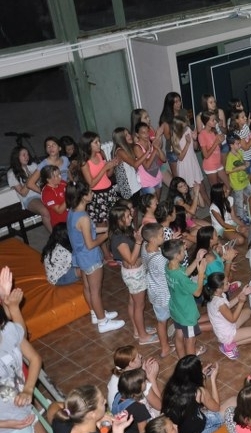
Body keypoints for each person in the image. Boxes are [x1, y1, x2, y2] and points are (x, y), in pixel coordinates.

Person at [0, 287, 53, 433]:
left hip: (23, 410)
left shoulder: (7, 330)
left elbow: (34, 358)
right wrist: (6, 424)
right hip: (7, 426)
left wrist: (28, 389)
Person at [66, 180, 125, 333]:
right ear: (83, 196)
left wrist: (106, 228)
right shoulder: (84, 218)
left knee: (87, 287)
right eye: (90, 192)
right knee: (95, 291)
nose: (92, 194)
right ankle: (102, 322)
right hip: (90, 258)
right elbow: (91, 244)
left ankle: (95, 313)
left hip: (80, 256)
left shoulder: (73, 212)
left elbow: (88, 231)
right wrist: (107, 235)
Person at [109, 204, 156, 344]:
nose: (131, 217)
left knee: (133, 302)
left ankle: (138, 331)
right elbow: (131, 259)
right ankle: (143, 336)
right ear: (119, 220)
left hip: (134, 272)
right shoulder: (119, 239)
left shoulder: (125, 231)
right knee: (139, 306)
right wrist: (138, 242)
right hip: (134, 274)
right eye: (127, 216)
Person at [203, 272, 251, 359]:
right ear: (218, 289)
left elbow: (228, 306)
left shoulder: (218, 294)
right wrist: (241, 303)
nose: (229, 284)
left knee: (247, 311)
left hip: (226, 326)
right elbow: (233, 319)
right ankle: (228, 345)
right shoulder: (219, 303)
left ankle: (230, 342)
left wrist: (242, 293)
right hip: (227, 334)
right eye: (226, 283)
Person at [164, 239, 209, 357]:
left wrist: (197, 260)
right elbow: (197, 293)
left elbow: (185, 273)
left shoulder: (169, 266)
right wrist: (201, 273)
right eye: (183, 251)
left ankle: (182, 360)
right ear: (177, 255)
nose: (185, 252)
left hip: (176, 309)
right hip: (187, 314)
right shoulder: (180, 277)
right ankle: (190, 363)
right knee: (190, 340)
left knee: (179, 335)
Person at [162, 355, 222, 433]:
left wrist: (202, 377)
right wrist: (213, 379)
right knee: (232, 402)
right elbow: (216, 408)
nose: (202, 364)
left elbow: (201, 402)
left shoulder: (171, 386)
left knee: (204, 407)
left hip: (180, 431)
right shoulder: (198, 392)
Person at [141, 224, 175, 358]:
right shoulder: (160, 259)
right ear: (153, 240)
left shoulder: (145, 246)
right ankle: (166, 347)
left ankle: (165, 345)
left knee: (161, 320)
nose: (164, 236)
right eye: (162, 235)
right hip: (164, 295)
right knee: (165, 321)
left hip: (154, 291)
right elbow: (170, 271)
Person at [7, 146, 52, 232]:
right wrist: (30, 178)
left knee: (58, 205)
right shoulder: (11, 173)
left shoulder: (33, 165)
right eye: (24, 155)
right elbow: (23, 193)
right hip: (29, 198)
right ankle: (55, 236)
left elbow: (43, 180)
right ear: (17, 157)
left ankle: (63, 230)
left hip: (42, 192)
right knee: (45, 211)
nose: (27, 157)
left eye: (27, 154)